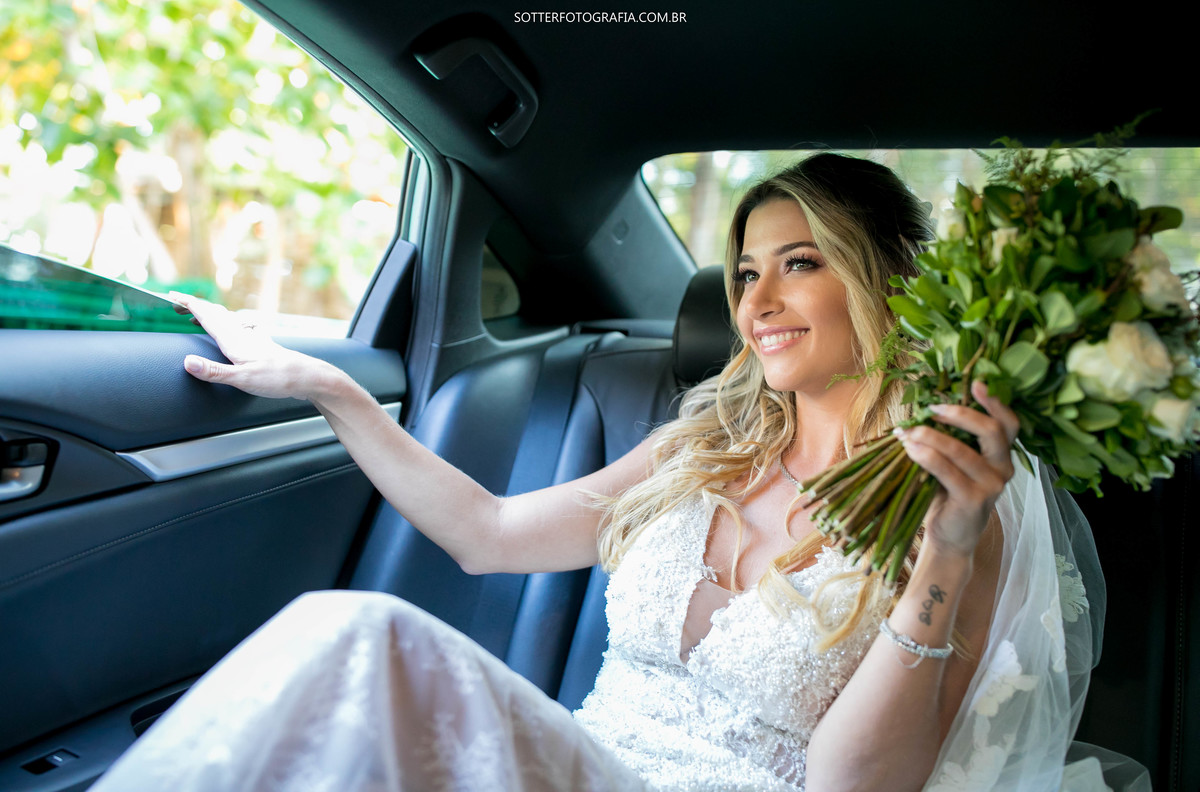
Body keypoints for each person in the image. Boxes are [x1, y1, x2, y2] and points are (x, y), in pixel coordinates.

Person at [91, 154, 1121, 791]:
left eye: (800, 263)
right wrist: (332, 388)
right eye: (746, 271)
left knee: (354, 635)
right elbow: (488, 533)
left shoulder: (949, 514)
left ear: (884, 282)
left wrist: (943, 555)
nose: (757, 301)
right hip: (572, 767)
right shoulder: (702, 447)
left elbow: (853, 784)